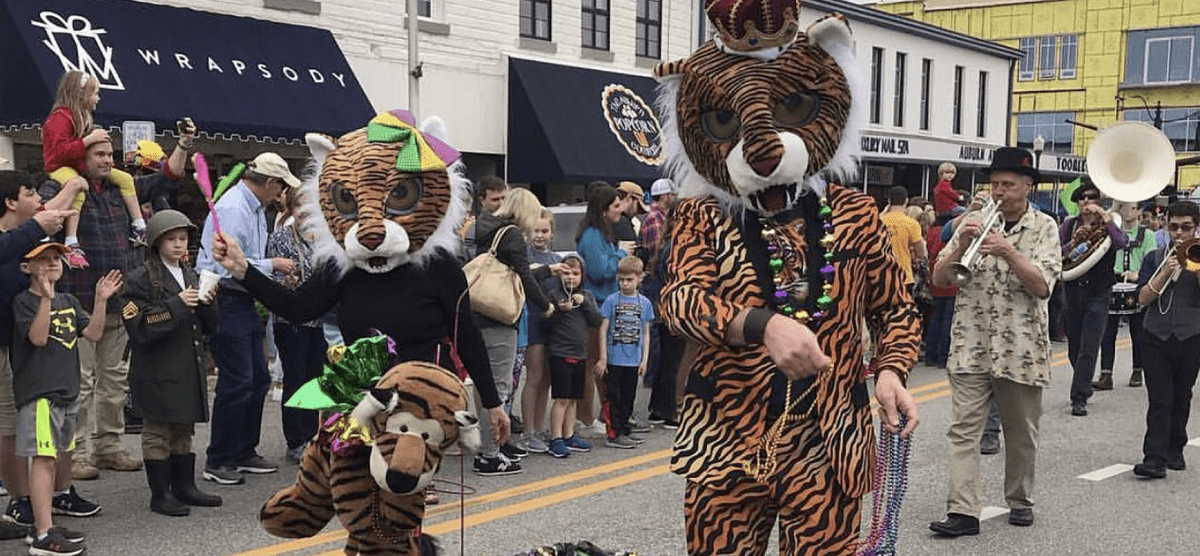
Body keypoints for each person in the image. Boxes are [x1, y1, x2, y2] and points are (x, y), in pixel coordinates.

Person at [929, 147, 1061, 536]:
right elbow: (939, 279)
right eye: (995, 184)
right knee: (962, 430)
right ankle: (963, 511)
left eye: (1008, 185)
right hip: (971, 342)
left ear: (1027, 187)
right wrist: (958, 244)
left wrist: (1007, 250)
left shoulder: (1045, 227)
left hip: (1020, 348)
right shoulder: (973, 220)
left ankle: (1019, 498)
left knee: (1021, 432)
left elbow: (1041, 286)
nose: (999, 191)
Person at [38, 139, 175, 480]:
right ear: (80, 158)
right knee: (80, 381)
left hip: (118, 298)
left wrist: (183, 145)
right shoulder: (61, 184)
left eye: (109, 155)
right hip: (78, 299)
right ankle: (78, 451)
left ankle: (108, 446)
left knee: (114, 379)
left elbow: (165, 178)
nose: (106, 160)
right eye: (98, 155)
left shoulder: (119, 188)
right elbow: (40, 214)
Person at [196, 152, 300, 484]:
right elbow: (230, 262)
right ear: (270, 183)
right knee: (237, 379)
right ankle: (219, 457)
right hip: (226, 296)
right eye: (281, 186)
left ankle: (243, 449)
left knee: (257, 378)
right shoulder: (234, 209)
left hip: (244, 298)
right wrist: (274, 265)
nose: (281, 194)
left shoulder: (252, 208)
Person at [12, 242, 118, 555]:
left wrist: (100, 301)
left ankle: (44, 525)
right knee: (44, 460)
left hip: (67, 392)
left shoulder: (69, 300)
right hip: (40, 394)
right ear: (26, 268)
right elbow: (38, 338)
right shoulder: (24, 302)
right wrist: (45, 299)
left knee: (58, 458)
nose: (51, 264)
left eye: (56, 258)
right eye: (41, 260)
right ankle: (44, 535)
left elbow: (95, 334)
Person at [121, 210, 223, 516]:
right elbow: (136, 324)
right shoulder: (140, 278)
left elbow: (210, 325)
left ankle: (184, 487)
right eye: (171, 239)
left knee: (183, 428)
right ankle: (160, 494)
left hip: (185, 365)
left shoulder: (190, 273)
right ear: (156, 242)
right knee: (157, 431)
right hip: (156, 367)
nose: (179, 245)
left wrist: (208, 302)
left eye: (183, 238)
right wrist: (176, 305)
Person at [0, 172, 79, 535]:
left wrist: (75, 186)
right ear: (10, 202)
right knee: (9, 428)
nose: (37, 198)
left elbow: (51, 217)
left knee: (18, 426)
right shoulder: (15, 238)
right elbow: (37, 225)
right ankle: (21, 501)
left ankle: (37, 498)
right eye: (29, 192)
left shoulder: (24, 240)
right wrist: (35, 227)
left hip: (20, 349)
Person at [471, 187, 555, 476]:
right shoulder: (513, 234)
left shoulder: (485, 228)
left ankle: (497, 445)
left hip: (477, 314)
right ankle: (489, 454)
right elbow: (523, 277)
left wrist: (545, 272)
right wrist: (546, 305)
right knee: (499, 387)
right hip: (499, 317)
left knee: (487, 386)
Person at [41, 71, 143, 269]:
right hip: (59, 166)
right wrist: (89, 140)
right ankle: (71, 241)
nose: (98, 98)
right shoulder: (60, 118)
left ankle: (140, 226)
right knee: (78, 186)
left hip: (76, 165)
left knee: (126, 179)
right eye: (95, 93)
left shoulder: (82, 117)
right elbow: (60, 152)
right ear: (80, 94)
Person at [1131, 201, 1200, 479]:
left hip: (1191, 335)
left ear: (1195, 227)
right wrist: (1165, 272)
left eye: (1185, 228)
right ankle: (1154, 458)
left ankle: (1175, 448)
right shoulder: (1154, 256)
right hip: (1155, 335)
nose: (1179, 234)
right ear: (1166, 228)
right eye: (1173, 227)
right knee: (1160, 398)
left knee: (1182, 395)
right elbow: (1143, 299)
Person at [264, 187, 327, 465]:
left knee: (315, 380)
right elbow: (272, 279)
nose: (306, 211)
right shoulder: (281, 238)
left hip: (319, 319)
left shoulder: (324, 240)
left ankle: (313, 435)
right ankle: (295, 440)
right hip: (290, 320)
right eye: (300, 205)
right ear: (291, 208)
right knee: (295, 379)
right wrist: (286, 283)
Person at [1060, 180, 1127, 416]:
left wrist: (1107, 221)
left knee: (1089, 345)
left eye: (1092, 198)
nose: (1087, 202)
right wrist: (1074, 242)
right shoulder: (1069, 225)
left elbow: (1121, 243)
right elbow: (1058, 253)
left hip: (1098, 292)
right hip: (1073, 289)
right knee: (1074, 346)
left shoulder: (1110, 224)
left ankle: (1078, 397)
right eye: (1082, 199)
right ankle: (1084, 383)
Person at [575, 186, 627, 438]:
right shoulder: (593, 236)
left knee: (598, 364)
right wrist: (622, 255)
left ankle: (598, 414)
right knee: (593, 364)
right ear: (604, 209)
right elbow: (599, 271)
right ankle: (584, 418)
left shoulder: (601, 233)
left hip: (603, 305)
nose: (621, 209)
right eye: (616, 205)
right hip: (594, 307)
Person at [544, 255, 602, 458]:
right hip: (560, 353)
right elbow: (546, 323)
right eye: (566, 273)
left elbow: (596, 319)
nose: (571, 278)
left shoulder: (587, 295)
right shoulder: (554, 295)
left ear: (582, 276)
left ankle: (569, 435)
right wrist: (559, 311)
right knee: (561, 398)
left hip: (580, 354)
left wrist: (584, 302)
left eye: (575, 274)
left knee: (574, 398)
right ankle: (555, 437)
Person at [1095, 200, 1155, 390]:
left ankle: (1137, 370)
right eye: (1121, 206)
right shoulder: (1112, 232)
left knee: (1137, 331)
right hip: (1113, 282)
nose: (1125, 210)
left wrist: (1138, 273)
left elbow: (1150, 258)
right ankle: (1106, 374)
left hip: (1135, 285)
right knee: (1108, 331)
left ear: (1138, 211)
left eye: (1129, 206)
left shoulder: (1147, 235)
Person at [596, 256, 654, 449]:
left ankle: (625, 427)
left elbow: (646, 333)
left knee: (629, 395)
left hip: (633, 358)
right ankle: (614, 432)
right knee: (614, 396)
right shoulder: (611, 301)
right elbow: (603, 329)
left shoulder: (645, 303)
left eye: (629, 279)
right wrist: (603, 357)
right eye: (621, 279)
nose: (625, 283)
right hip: (614, 358)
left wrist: (645, 359)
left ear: (639, 278)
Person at [519, 209, 562, 454]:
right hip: (532, 320)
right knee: (534, 377)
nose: (540, 236)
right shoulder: (524, 255)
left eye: (545, 231)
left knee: (546, 378)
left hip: (552, 324)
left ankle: (539, 426)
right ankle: (527, 431)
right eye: (536, 230)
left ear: (552, 232)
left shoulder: (556, 258)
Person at [880, 186, 928, 287]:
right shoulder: (912, 223)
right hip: (904, 276)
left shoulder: (878, 221)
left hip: (880, 276)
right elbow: (921, 252)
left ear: (889, 200)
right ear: (906, 201)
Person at [639, 178, 675, 254]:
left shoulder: (662, 215)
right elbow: (657, 249)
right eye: (672, 194)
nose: (674, 198)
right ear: (664, 196)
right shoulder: (655, 217)